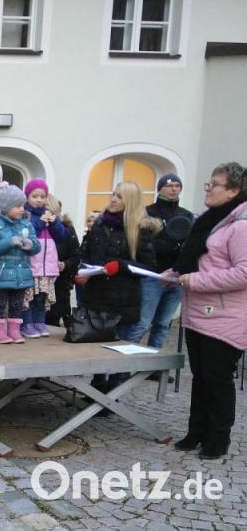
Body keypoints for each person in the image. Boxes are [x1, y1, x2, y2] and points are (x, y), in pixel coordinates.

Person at [169, 162, 247, 460]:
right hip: (200, 313)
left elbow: (244, 272)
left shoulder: (241, 225)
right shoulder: (212, 220)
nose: (208, 188)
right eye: (208, 183)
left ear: (233, 191)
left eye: (214, 184)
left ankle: (218, 439)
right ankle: (196, 432)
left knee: (217, 380)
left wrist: (197, 280)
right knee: (200, 377)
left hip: (225, 317)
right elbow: (201, 261)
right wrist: (175, 274)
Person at [74, 181, 158, 390]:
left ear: (130, 201)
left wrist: (120, 266)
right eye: (113, 194)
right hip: (97, 295)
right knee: (98, 346)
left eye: (119, 196)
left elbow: (149, 266)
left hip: (124, 298)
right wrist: (82, 272)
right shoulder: (100, 224)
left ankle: (113, 390)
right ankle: (97, 387)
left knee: (120, 348)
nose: (113, 199)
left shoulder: (140, 229)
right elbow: (86, 254)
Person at [120, 174, 192, 350]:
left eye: (177, 185)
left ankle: (154, 368)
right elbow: (145, 246)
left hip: (176, 278)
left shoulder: (186, 215)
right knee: (142, 323)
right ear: (160, 188)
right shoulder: (148, 212)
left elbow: (191, 245)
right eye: (169, 186)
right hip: (153, 276)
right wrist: (173, 246)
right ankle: (122, 368)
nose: (173, 189)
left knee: (162, 325)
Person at [0, 183, 40, 344]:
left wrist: (31, 245)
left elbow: (36, 245)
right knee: (0, 302)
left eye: (22, 205)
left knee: (17, 303)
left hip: (21, 272)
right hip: (2, 272)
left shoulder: (27, 224)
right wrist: (10, 242)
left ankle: (14, 330)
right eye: (17, 206)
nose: (22, 209)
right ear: (6, 207)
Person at [21, 179, 67, 339]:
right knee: (29, 296)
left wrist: (54, 223)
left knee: (42, 296)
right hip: (33, 263)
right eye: (35, 196)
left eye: (42, 196)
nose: (39, 199)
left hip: (47, 265)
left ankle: (39, 322)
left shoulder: (50, 214)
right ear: (27, 197)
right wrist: (41, 223)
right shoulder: (25, 215)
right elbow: (27, 233)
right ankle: (26, 323)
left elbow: (61, 236)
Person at [45, 196, 80, 328]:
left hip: (58, 285)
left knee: (51, 323)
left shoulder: (66, 229)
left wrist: (65, 264)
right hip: (35, 284)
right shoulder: (34, 227)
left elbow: (76, 255)